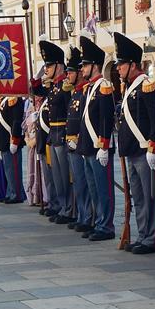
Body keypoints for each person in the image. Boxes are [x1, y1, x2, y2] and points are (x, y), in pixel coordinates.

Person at [115, 32, 155, 254]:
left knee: (149, 196)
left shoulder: (146, 85)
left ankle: (151, 238)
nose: (118, 69)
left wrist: (154, 146)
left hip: (145, 151)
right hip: (132, 151)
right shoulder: (130, 89)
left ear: (133, 65)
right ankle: (143, 234)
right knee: (139, 197)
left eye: (121, 64)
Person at [76, 31, 116, 241]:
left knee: (103, 189)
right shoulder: (90, 88)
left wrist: (104, 145)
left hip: (98, 147)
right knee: (93, 189)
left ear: (95, 66)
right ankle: (98, 221)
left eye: (85, 65)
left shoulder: (104, 87)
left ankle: (106, 225)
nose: (82, 69)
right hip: (87, 147)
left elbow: (106, 119)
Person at [32, 38, 73, 223]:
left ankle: (68, 209)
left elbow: (71, 114)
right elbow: (39, 92)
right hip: (52, 136)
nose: (46, 69)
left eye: (48, 65)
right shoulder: (55, 86)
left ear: (58, 65)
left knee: (65, 177)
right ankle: (61, 206)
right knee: (57, 176)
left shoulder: (65, 86)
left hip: (62, 134)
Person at [64, 46, 92, 232]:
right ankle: (82, 215)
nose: (69, 74)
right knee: (79, 184)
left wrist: (79, 140)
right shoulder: (76, 92)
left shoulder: (84, 92)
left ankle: (88, 217)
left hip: (80, 144)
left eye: (72, 71)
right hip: (71, 143)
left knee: (85, 183)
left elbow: (85, 119)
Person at [0, 95, 26, 203]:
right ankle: (10, 192)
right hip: (3, 140)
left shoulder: (14, 99)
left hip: (10, 140)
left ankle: (16, 194)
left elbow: (16, 121)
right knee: (8, 170)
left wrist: (15, 140)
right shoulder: (4, 99)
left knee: (14, 170)